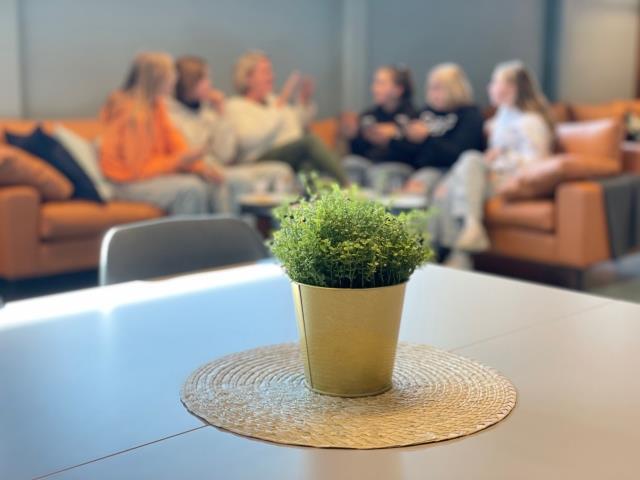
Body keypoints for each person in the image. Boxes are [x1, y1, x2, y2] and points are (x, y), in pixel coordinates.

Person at [431, 60, 555, 269]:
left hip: (511, 181)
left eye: (495, 82)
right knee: (447, 186)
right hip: (493, 176)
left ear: (512, 88)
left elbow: (539, 163)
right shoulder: (501, 119)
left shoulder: (531, 122)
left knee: (469, 161)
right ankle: (458, 252)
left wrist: (503, 157)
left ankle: (459, 247)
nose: (490, 87)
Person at [168, 55, 294, 213]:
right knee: (228, 181)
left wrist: (221, 115)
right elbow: (185, 156)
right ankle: (231, 229)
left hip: (219, 168)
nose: (210, 84)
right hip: (198, 172)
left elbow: (225, 155)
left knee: (281, 171)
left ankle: (285, 228)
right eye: (205, 79)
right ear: (190, 82)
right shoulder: (170, 115)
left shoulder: (208, 113)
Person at [100, 52, 221, 215]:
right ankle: (187, 233)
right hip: (125, 182)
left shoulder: (157, 106)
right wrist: (179, 161)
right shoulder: (132, 115)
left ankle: (218, 232)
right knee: (190, 189)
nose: (175, 79)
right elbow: (137, 170)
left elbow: (175, 144)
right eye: (171, 74)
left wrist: (200, 168)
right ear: (156, 79)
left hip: (144, 176)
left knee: (209, 183)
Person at [226, 50, 349, 185]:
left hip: (287, 154)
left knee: (307, 164)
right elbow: (249, 139)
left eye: (271, 71)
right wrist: (279, 106)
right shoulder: (236, 106)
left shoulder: (273, 101)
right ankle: (347, 184)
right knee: (310, 142)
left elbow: (295, 122)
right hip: (257, 157)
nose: (272, 76)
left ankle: (317, 197)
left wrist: (304, 100)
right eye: (265, 72)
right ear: (248, 78)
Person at [402, 63, 485, 197]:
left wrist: (427, 138)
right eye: (430, 88)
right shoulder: (425, 112)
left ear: (455, 89)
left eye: (438, 88)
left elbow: (459, 154)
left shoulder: (470, 115)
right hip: (422, 170)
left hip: (453, 170)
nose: (432, 94)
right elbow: (411, 154)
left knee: (435, 188)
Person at [340, 65, 418, 189]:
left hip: (398, 166)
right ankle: (348, 200)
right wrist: (353, 136)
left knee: (381, 174)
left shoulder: (413, 117)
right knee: (350, 164)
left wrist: (392, 139)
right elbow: (358, 151)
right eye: (375, 83)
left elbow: (416, 154)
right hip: (369, 164)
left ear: (398, 90)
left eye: (381, 83)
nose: (374, 88)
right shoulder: (369, 115)